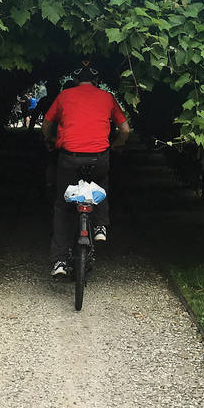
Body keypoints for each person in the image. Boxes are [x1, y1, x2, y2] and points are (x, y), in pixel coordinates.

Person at [42, 60, 130, 277]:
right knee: (100, 186)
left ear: (74, 81)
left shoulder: (64, 96)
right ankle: (101, 226)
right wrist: (117, 144)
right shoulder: (107, 97)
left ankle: (60, 261)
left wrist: (49, 139)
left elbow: (46, 123)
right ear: (96, 81)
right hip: (99, 157)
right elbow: (125, 129)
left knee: (63, 206)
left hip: (69, 157)